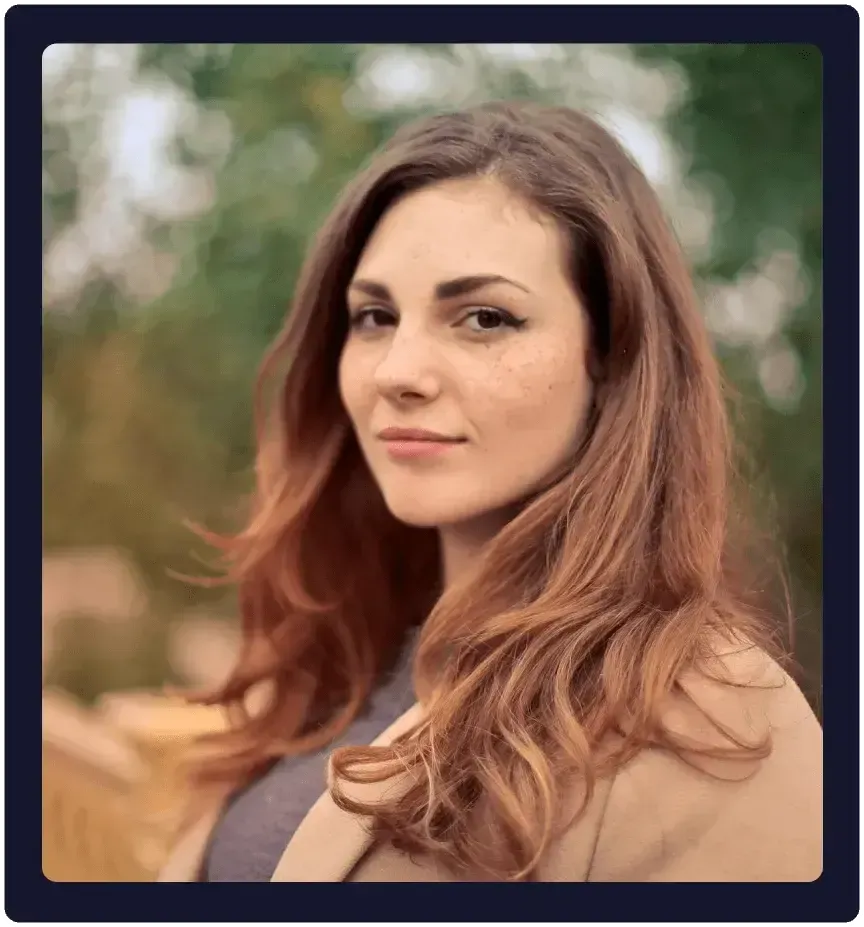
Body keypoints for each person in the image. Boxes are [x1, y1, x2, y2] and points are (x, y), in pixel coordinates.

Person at [158, 101, 822, 883]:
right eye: (374, 316)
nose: (399, 371)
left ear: (611, 358)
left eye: (483, 317)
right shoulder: (339, 659)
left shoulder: (711, 717)